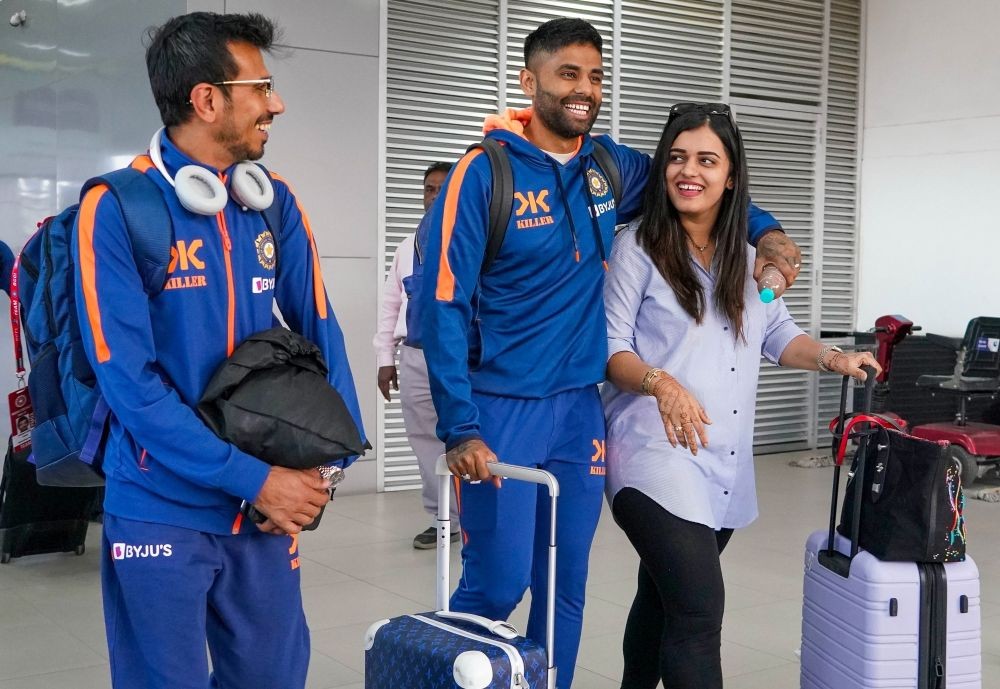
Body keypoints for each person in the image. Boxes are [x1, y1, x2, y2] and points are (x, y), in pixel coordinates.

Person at [419, 18, 803, 688]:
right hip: (500, 410)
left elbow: (701, 181)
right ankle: (441, 677)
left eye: (595, 77)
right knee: (499, 582)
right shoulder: (483, 176)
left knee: (566, 587)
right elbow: (441, 305)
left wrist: (768, 233)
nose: (585, 90)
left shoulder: (606, 167)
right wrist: (459, 426)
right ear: (529, 80)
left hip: (578, 413)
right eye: (568, 73)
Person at [73, 12, 365, 689]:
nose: (277, 103)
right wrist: (256, 479)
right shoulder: (116, 210)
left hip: (264, 510)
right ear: (207, 100)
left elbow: (322, 330)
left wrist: (322, 471)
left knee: (272, 675)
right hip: (159, 504)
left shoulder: (273, 203)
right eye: (261, 86)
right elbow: (132, 387)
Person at [601, 103, 880, 688]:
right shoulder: (637, 248)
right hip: (651, 453)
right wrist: (662, 383)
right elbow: (610, 348)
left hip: (721, 459)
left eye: (707, 160)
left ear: (731, 177)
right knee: (700, 612)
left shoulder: (750, 260)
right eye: (677, 158)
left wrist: (834, 358)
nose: (688, 171)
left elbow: (776, 332)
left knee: (662, 599)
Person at [373, 161, 460, 549]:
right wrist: (384, 359)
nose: (435, 195)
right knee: (425, 442)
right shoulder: (407, 247)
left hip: (464, 360)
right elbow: (391, 306)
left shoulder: (472, 239)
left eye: (444, 188)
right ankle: (444, 519)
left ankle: (482, 517)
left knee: (471, 437)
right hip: (416, 357)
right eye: (429, 188)